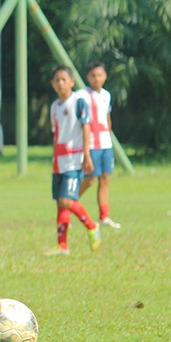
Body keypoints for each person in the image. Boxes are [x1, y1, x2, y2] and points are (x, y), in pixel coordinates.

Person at [45, 64, 102, 256]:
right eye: (57, 80)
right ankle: (62, 246)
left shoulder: (78, 102)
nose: (61, 83)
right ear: (53, 84)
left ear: (72, 81)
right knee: (60, 203)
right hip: (59, 160)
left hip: (75, 158)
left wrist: (87, 155)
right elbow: (56, 134)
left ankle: (92, 226)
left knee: (67, 200)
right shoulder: (54, 106)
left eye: (64, 79)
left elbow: (86, 127)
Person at [78, 62, 121, 229]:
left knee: (105, 178)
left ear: (105, 76)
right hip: (91, 143)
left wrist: (109, 133)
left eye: (100, 75)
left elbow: (107, 117)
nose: (97, 78)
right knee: (90, 179)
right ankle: (68, 205)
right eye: (93, 76)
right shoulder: (82, 95)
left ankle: (104, 217)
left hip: (105, 143)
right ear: (88, 77)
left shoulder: (106, 95)